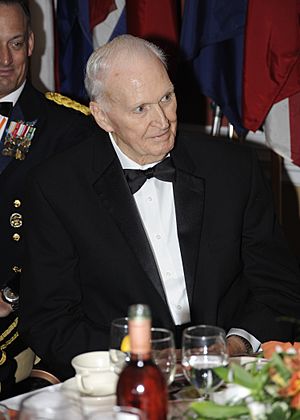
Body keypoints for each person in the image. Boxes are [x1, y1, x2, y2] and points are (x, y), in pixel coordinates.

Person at [20, 34, 300, 380]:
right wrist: (142, 358)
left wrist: (236, 345)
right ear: (102, 116)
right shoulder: (56, 187)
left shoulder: (233, 169)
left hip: (233, 371)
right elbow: (50, 319)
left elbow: (280, 286)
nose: (163, 121)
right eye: (140, 109)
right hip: (120, 378)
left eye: (166, 97)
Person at [0, 0, 98, 397]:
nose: (5, 60)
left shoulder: (71, 132)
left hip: (25, 317)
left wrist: (11, 295)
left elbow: (92, 252)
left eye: (16, 43)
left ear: (33, 43)